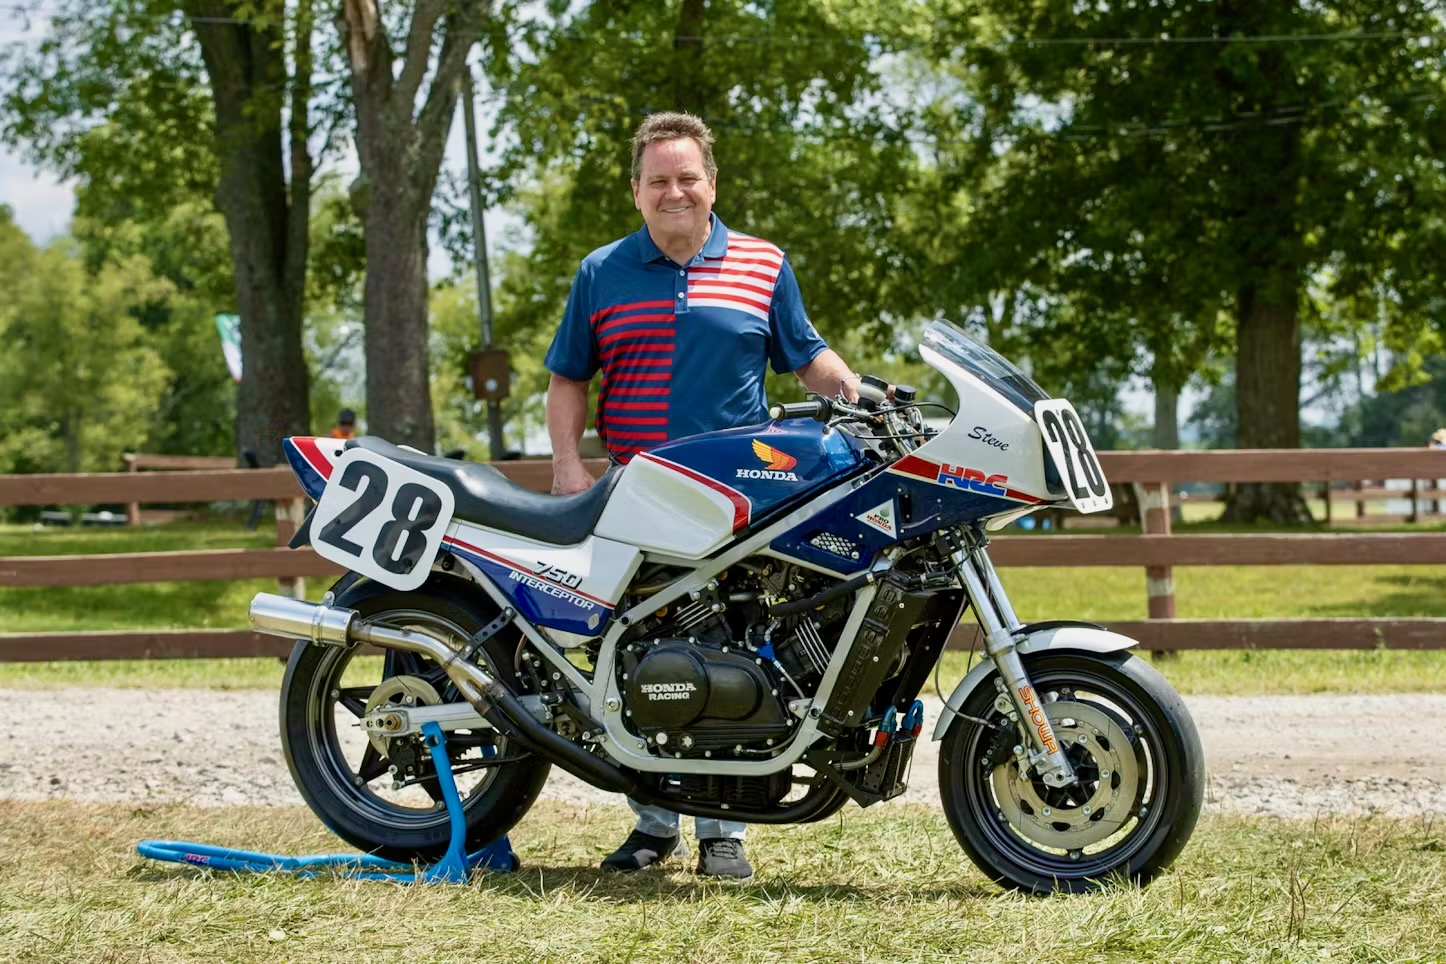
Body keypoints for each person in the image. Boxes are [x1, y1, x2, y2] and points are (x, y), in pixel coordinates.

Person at [544, 111, 870, 880]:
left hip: (742, 505)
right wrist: (566, 465)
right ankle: (653, 824)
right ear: (636, 191)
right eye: (658, 180)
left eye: (687, 177)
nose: (674, 192)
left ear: (711, 184)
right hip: (635, 502)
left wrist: (857, 394)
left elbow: (807, 356)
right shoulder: (601, 272)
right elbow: (568, 379)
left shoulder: (762, 264)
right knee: (636, 661)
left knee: (734, 656)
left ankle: (724, 831)